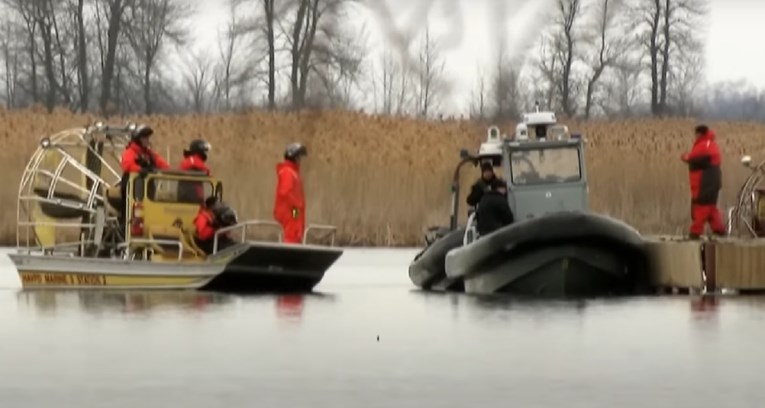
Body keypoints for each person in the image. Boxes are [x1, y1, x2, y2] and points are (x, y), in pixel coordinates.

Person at [119, 124, 170, 231]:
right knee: (131, 212)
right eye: (144, 138)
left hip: (147, 190)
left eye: (148, 138)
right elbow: (127, 165)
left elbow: (162, 164)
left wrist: (171, 171)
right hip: (133, 190)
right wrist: (140, 170)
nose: (147, 140)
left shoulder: (149, 154)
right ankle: (125, 228)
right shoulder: (130, 152)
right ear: (138, 139)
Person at [681, 124, 726, 239]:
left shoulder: (703, 145)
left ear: (699, 134)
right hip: (711, 181)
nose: (695, 136)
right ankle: (719, 229)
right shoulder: (710, 144)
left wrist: (684, 156)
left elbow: (692, 158)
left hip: (705, 182)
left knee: (702, 206)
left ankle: (695, 232)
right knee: (710, 207)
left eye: (696, 134)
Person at [273, 142, 307, 244]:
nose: (300, 160)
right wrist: (297, 205)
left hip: (293, 210)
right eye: (299, 157)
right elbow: (285, 192)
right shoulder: (288, 172)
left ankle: (295, 245)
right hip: (291, 210)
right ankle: (290, 248)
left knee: (296, 227)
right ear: (294, 158)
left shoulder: (292, 172)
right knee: (293, 228)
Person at [178, 139, 212, 203]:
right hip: (191, 195)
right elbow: (207, 171)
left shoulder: (190, 159)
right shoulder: (193, 159)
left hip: (189, 194)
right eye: (205, 151)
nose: (206, 154)